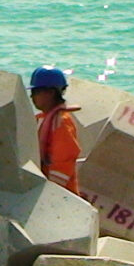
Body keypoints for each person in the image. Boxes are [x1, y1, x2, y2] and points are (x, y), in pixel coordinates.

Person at [28, 66, 81, 194]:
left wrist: (52, 193)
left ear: (51, 92)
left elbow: (64, 160)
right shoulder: (41, 119)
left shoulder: (61, 123)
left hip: (63, 196)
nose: (31, 96)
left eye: (35, 91)